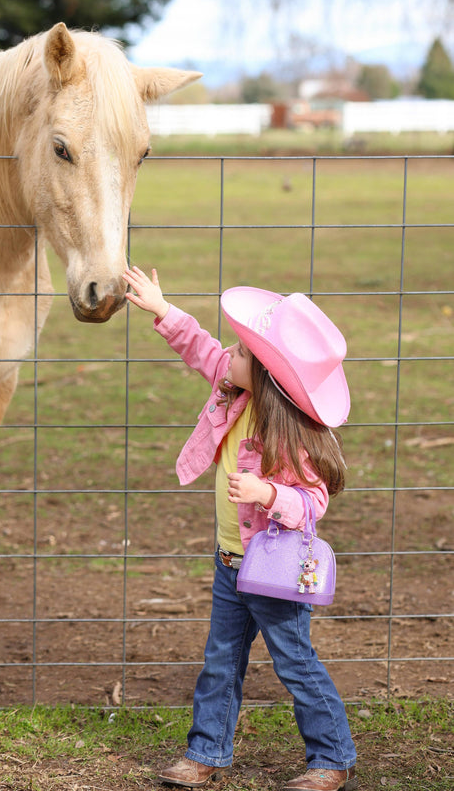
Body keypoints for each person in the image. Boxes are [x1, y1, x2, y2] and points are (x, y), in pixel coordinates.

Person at [123, 266, 358, 791]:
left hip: (274, 571)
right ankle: (205, 752)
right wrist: (162, 309)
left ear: (269, 373)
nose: (229, 353)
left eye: (243, 352)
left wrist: (268, 495)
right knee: (220, 663)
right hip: (230, 562)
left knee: (295, 663)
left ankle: (332, 759)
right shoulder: (232, 389)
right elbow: (200, 347)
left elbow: (313, 501)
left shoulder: (292, 432)